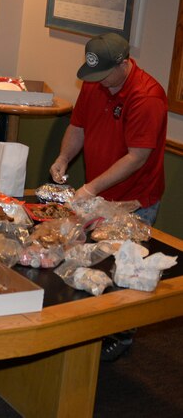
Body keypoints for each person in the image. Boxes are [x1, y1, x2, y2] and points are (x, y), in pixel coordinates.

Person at [49, 32, 167, 362]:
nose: (98, 83)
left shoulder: (148, 96)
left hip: (135, 201)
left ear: (124, 64)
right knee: (92, 264)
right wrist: (63, 158)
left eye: (103, 76)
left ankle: (121, 337)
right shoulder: (95, 83)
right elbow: (78, 127)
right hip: (99, 194)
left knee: (124, 271)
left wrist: (90, 188)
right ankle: (88, 335)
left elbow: (137, 157)